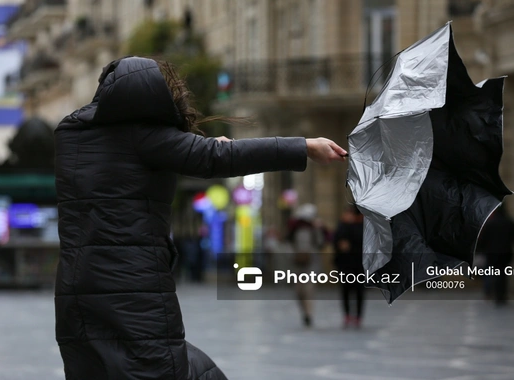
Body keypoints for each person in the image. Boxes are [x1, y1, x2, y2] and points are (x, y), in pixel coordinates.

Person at [53, 56, 347, 380]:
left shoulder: (71, 134)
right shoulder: (147, 138)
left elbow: (123, 164)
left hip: (76, 290)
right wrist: (304, 147)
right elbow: (215, 158)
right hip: (133, 288)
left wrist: (193, 146)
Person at [476, 206, 514, 306]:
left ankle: (495, 293)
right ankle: (502, 294)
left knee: (494, 273)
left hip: (492, 254)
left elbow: (482, 240)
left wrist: (478, 251)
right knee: (503, 274)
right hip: (506, 253)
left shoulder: (490, 223)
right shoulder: (510, 222)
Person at [288, 203, 326, 327]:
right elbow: (288, 242)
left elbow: (321, 243)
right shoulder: (295, 229)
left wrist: (318, 229)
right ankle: (304, 312)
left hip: (311, 264)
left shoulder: (315, 229)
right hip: (298, 264)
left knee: (308, 290)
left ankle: (309, 314)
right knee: (299, 291)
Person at [333, 205, 365, 328]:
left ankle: (358, 316)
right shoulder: (342, 225)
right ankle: (347, 315)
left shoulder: (362, 224)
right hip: (345, 264)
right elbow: (337, 241)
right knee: (345, 290)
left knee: (359, 291)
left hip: (359, 263)